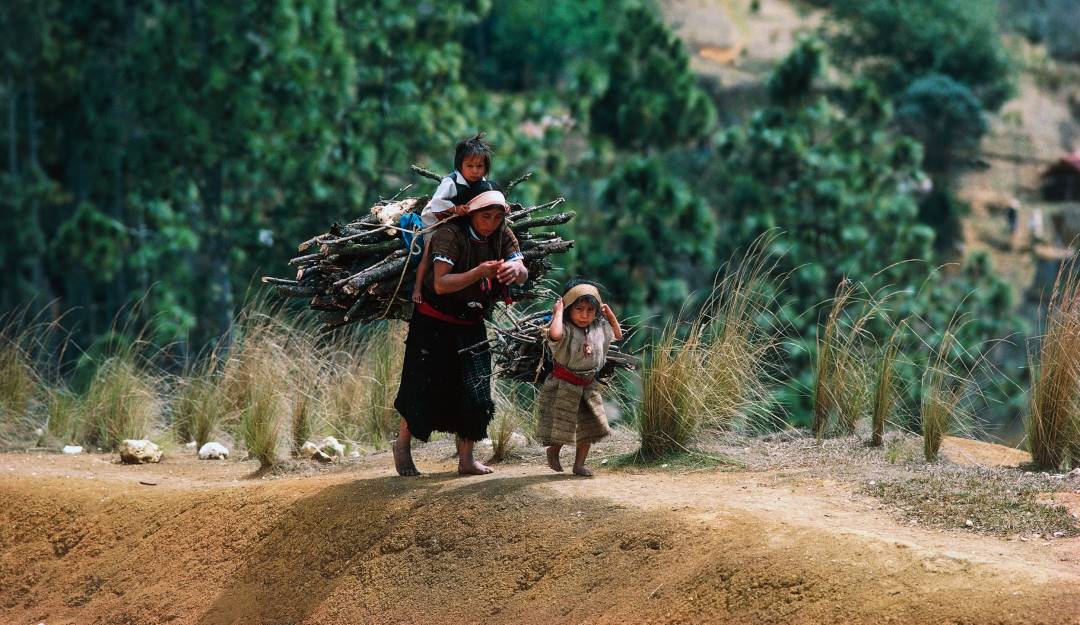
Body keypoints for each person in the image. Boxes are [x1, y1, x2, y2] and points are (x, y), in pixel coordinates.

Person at [393, 189, 528, 476]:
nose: (491, 223)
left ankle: (466, 460)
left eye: (496, 217)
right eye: (485, 216)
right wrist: (479, 272)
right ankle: (402, 446)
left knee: (475, 390)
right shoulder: (450, 234)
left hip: (471, 320)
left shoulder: (504, 234)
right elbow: (441, 284)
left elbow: (521, 266)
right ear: (471, 214)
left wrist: (515, 270)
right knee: (422, 386)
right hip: (433, 321)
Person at [536, 280, 623, 477]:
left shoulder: (599, 327)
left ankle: (579, 465)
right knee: (563, 425)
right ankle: (554, 451)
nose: (585, 315)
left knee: (588, 427)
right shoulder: (564, 327)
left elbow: (617, 335)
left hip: (588, 384)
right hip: (564, 384)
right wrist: (558, 312)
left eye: (590, 310)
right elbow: (555, 335)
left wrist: (609, 315)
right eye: (579, 309)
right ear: (568, 309)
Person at [411, 133, 495, 305]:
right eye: (469, 166)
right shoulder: (450, 182)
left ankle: (480, 276)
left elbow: (488, 198)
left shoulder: (481, 181)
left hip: (458, 221)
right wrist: (455, 209)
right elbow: (436, 204)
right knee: (428, 253)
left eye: (480, 166)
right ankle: (418, 288)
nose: (475, 170)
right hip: (435, 221)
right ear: (459, 166)